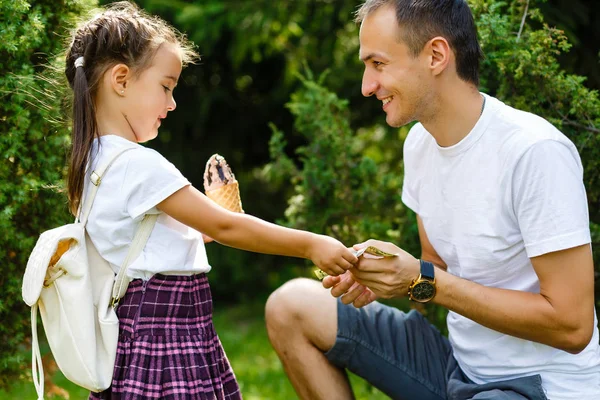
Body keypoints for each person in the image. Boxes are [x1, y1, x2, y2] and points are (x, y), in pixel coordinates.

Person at [265, 0, 600, 399]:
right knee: (291, 307)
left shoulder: (533, 152)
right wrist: (383, 277)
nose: (366, 86)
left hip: (540, 385)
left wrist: (423, 281)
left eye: (378, 64)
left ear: (436, 56)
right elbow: (437, 267)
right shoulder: (420, 144)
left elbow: (573, 326)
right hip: (455, 366)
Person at [61, 2, 358, 399]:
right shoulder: (139, 165)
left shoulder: (93, 163)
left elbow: (153, 248)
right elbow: (224, 226)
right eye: (165, 87)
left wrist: (213, 218)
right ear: (121, 79)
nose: (172, 103)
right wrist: (311, 244)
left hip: (137, 339)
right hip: (168, 338)